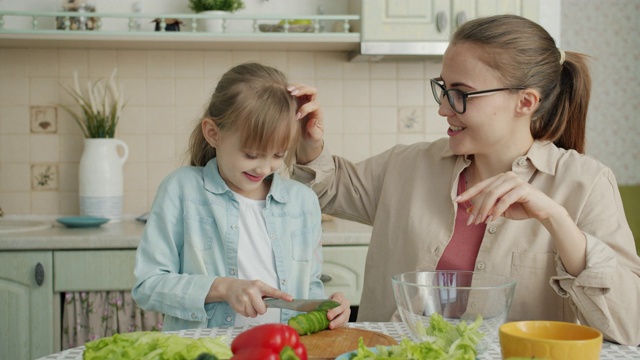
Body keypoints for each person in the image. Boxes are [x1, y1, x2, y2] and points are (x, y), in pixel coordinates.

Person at [288, 15, 640, 346]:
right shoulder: (405, 166)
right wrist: (308, 145)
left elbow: (631, 327)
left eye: (461, 93)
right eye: (443, 88)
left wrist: (555, 219)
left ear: (526, 102)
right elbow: (325, 189)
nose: (443, 108)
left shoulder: (586, 183)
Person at [132, 62, 350, 331]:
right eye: (251, 154)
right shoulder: (182, 190)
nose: (263, 168)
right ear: (213, 133)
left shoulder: (302, 202)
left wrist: (330, 307)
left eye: (278, 155)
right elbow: (148, 285)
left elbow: (309, 289)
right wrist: (224, 287)